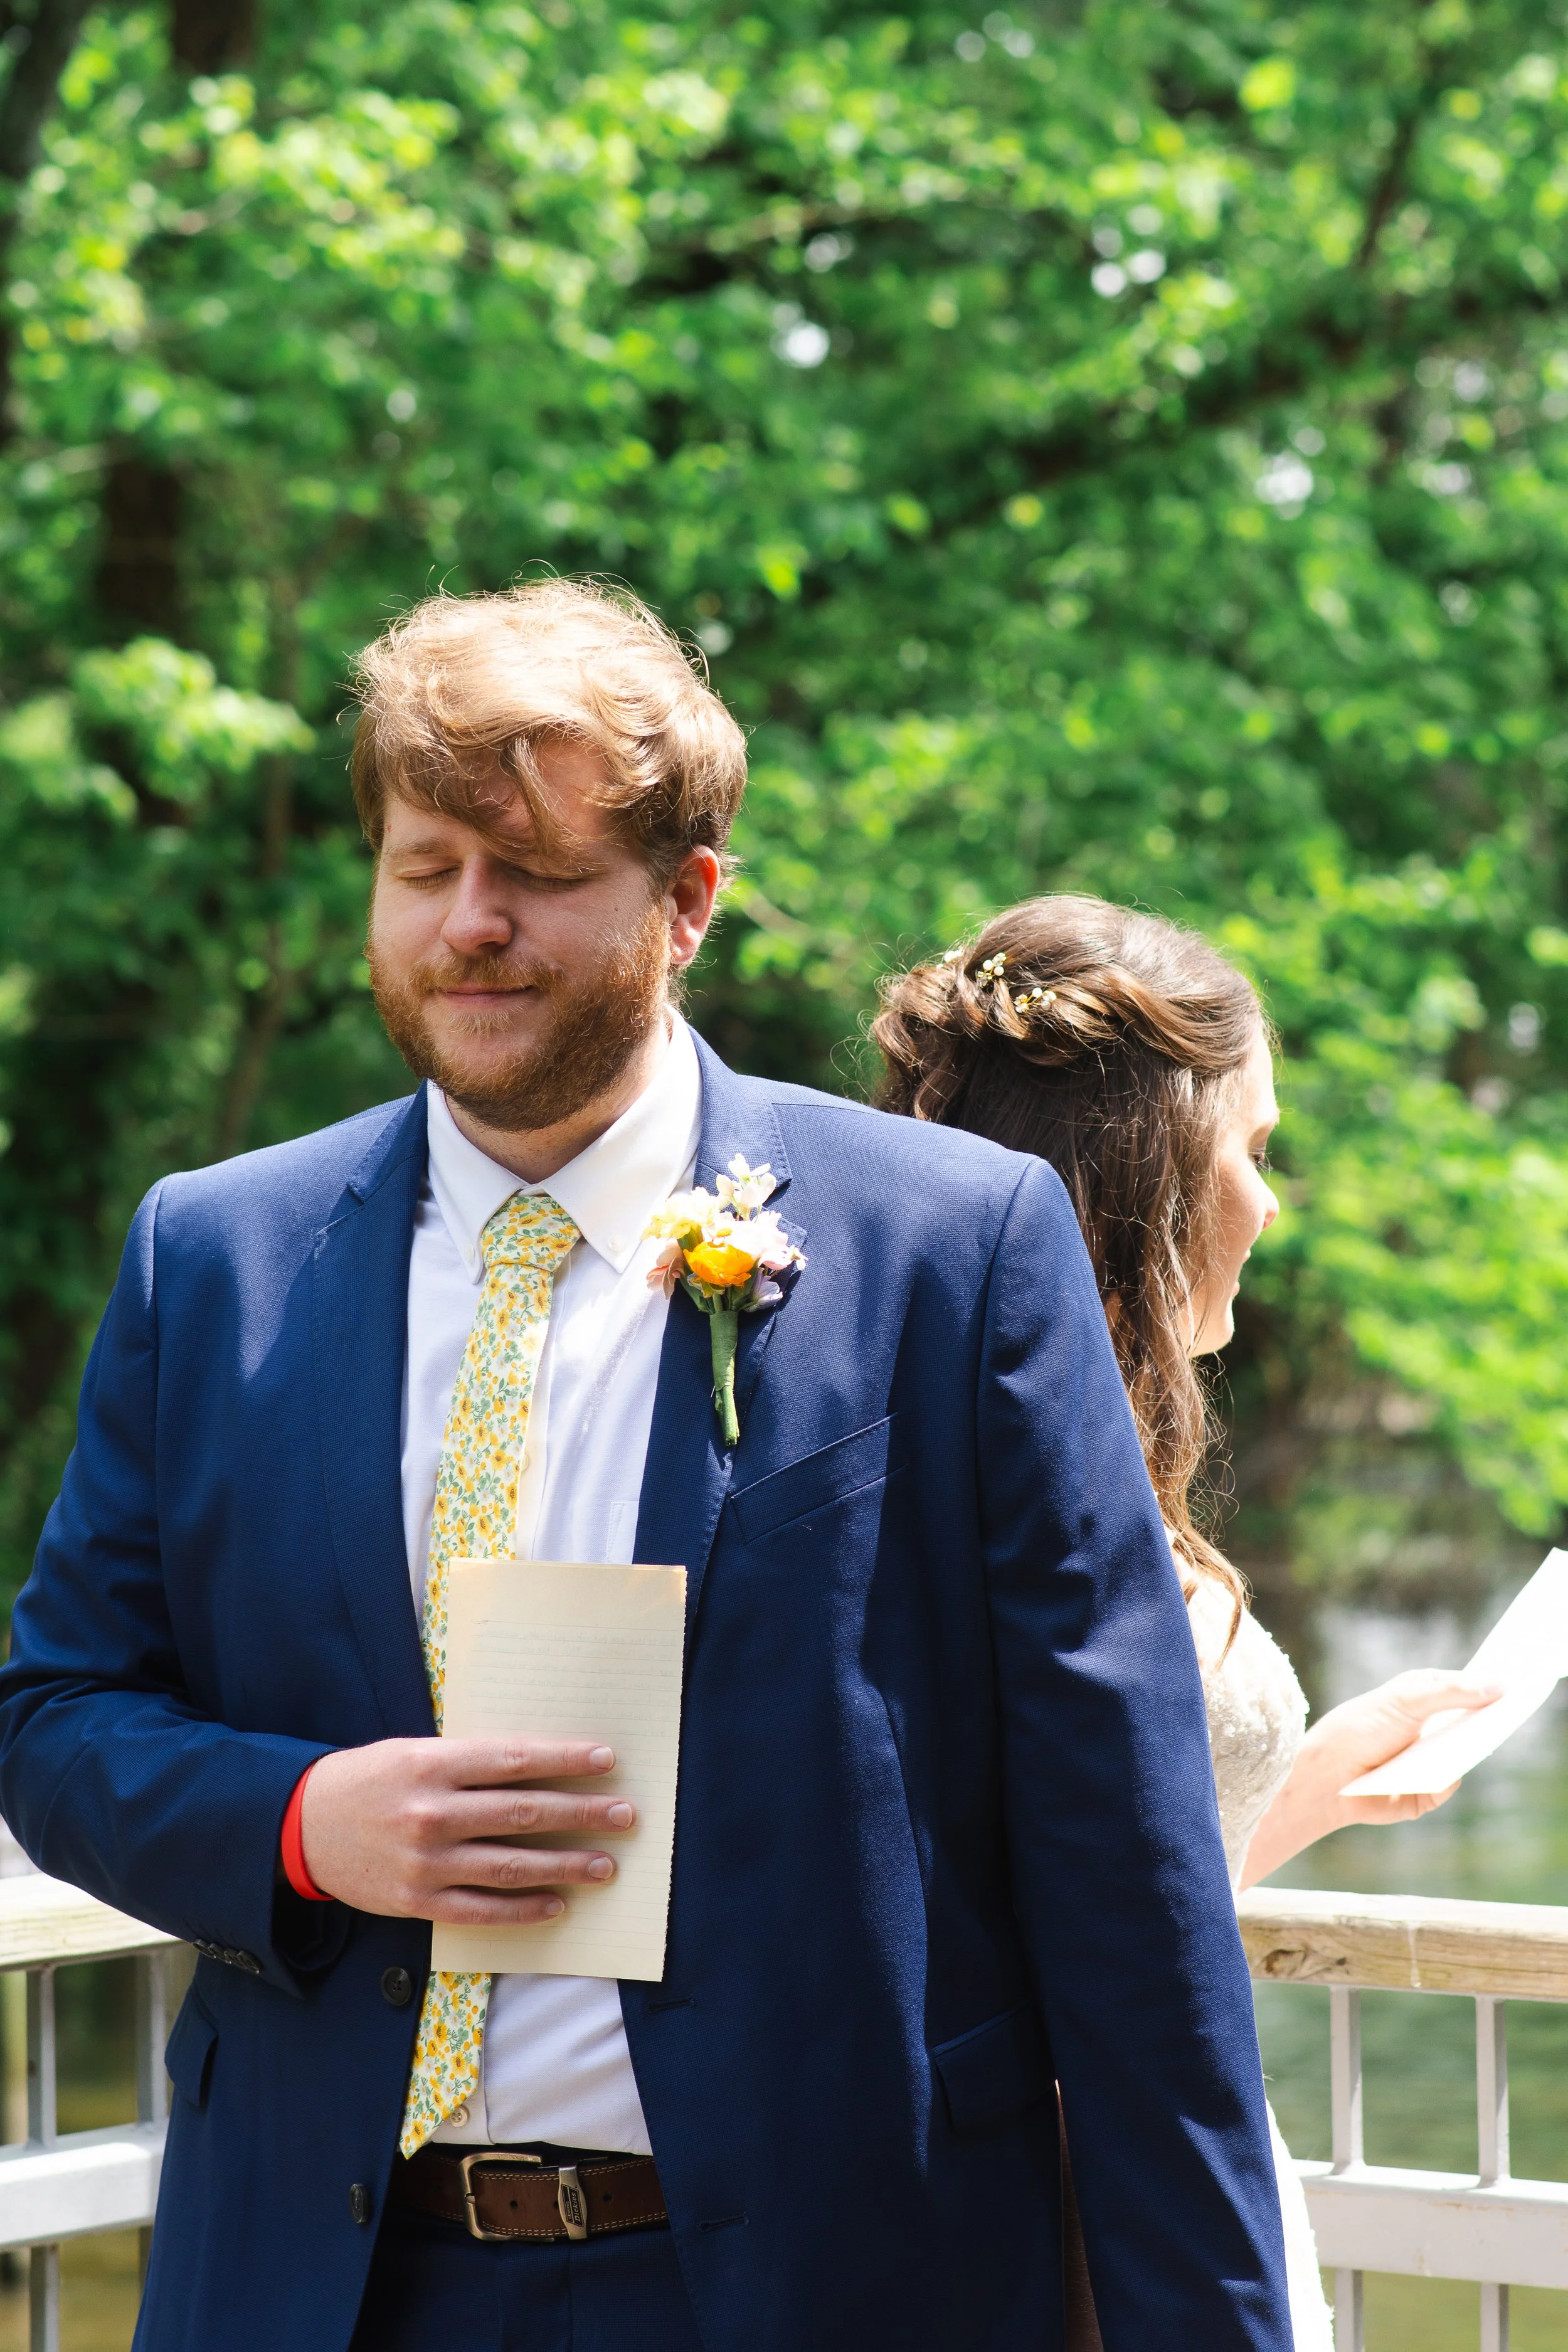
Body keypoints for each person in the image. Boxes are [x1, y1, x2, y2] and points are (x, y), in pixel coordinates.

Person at [0, 586, 1294, 2352]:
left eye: (535, 872)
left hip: (824, 2284)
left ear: (686, 901)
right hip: (324, 2285)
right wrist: (306, 1824)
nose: (470, 922)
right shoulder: (214, 1256)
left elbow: (1124, 1874)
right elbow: (56, 1718)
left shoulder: (953, 1247)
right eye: (425, 865)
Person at [874, 893, 1498, 2351]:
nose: (1269, 1206)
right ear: (1147, 1166)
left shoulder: (1041, 1443)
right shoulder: (994, 1482)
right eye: (1252, 1150)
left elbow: (1110, 1896)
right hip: (1070, 2206)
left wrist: (1316, 1780)